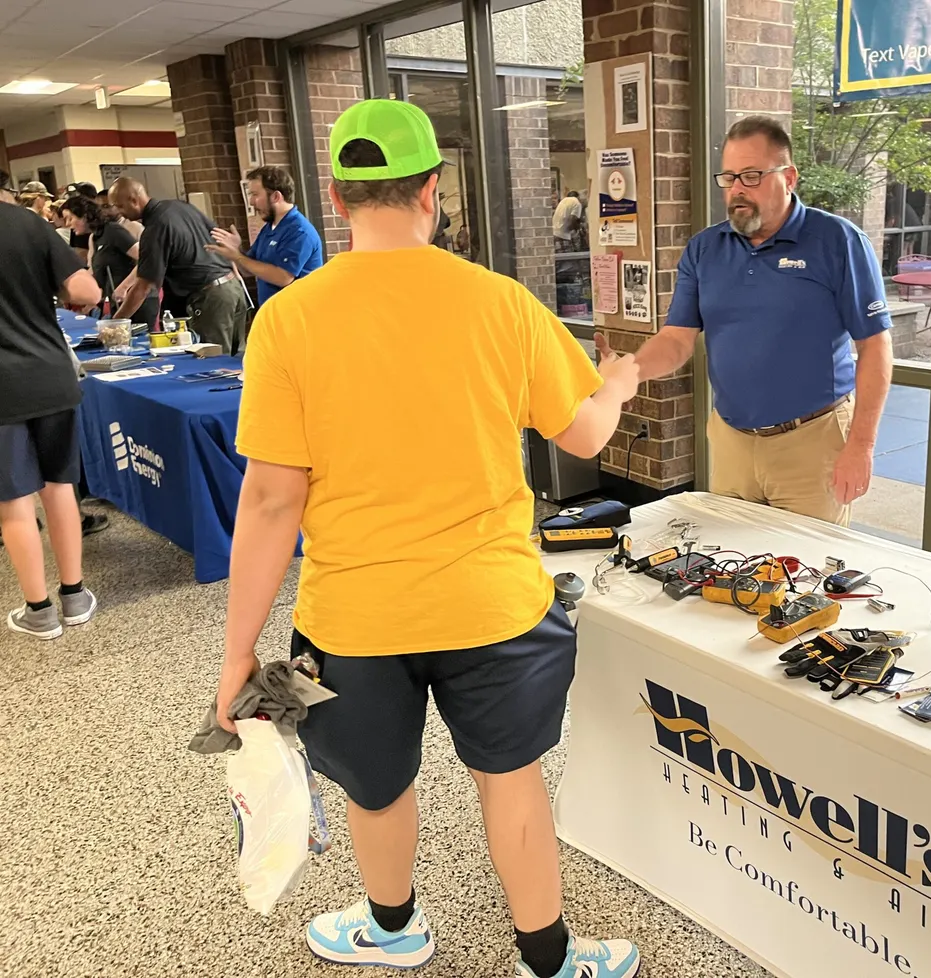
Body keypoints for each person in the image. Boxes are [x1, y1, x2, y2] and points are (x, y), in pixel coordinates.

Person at [212, 99, 641, 978]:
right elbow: (587, 435)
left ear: (336, 196)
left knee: (376, 786)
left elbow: (268, 502)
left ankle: (394, 931)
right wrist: (620, 381)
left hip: (353, 617)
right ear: (433, 194)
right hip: (496, 605)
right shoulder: (500, 303)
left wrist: (236, 655)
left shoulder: (289, 319)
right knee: (511, 780)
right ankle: (549, 962)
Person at [596, 115, 894, 527]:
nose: (737, 189)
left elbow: (875, 347)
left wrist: (860, 446)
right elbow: (677, 339)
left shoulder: (838, 242)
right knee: (732, 571)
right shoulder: (705, 248)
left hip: (812, 444)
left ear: (788, 177)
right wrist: (628, 371)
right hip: (732, 441)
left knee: (804, 578)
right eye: (730, 177)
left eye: (752, 176)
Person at [0, 200, 101, 639]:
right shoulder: (26, 222)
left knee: (14, 499)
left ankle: (38, 611)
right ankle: (75, 596)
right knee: (60, 485)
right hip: (49, 374)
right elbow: (86, 292)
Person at [107, 178, 248, 354]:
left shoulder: (155, 228)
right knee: (237, 359)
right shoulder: (180, 207)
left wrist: (115, 325)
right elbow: (221, 240)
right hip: (232, 287)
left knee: (214, 363)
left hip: (208, 297)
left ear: (134, 200)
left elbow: (143, 287)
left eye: (120, 206)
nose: (120, 213)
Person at [206, 166, 323, 307]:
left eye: (255, 194)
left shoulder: (299, 231)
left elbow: (283, 277)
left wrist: (237, 256)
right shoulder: (270, 227)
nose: (251, 202)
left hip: (297, 317)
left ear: (276, 196)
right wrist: (236, 250)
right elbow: (248, 269)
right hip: (272, 315)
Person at [61, 195, 159, 326]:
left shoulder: (113, 231)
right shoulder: (94, 238)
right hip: (117, 303)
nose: (67, 224)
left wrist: (124, 287)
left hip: (137, 301)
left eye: (70, 218)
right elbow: (94, 272)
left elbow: (146, 259)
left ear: (84, 216)